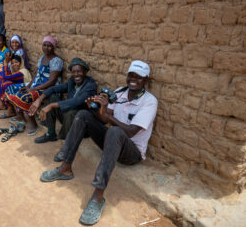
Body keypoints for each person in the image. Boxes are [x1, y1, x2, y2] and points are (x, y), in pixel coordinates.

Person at [40, 60, 158, 225]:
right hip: (112, 141)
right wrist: (96, 109)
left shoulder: (149, 101)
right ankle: (65, 168)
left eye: (139, 77)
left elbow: (130, 131)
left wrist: (108, 116)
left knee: (115, 131)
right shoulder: (120, 93)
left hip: (131, 152)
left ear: (145, 80)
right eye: (131, 75)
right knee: (83, 115)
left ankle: (97, 197)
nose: (133, 79)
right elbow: (104, 120)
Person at [29, 58, 97, 143]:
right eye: (73, 72)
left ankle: (66, 142)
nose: (76, 74)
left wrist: (51, 106)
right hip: (67, 119)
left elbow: (77, 101)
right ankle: (51, 134)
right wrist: (39, 99)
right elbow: (53, 89)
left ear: (85, 72)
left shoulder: (90, 85)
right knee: (51, 97)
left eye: (79, 71)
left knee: (72, 111)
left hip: (81, 124)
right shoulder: (72, 81)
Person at [6, 36, 63, 136]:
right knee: (10, 89)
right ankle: (21, 118)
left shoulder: (56, 60)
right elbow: (36, 75)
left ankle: (33, 123)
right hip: (36, 85)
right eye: (44, 45)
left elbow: (52, 81)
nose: (46, 48)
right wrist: (28, 86)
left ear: (54, 47)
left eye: (49, 46)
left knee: (23, 97)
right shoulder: (42, 58)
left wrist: (33, 89)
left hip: (47, 89)